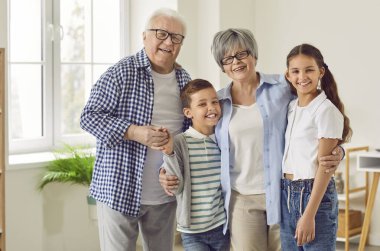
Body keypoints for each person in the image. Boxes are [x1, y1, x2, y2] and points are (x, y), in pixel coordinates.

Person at [160, 28, 344, 251]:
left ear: (254, 55)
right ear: (222, 66)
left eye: (241, 54)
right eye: (227, 58)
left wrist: (339, 151)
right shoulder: (218, 102)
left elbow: (316, 118)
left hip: (283, 194)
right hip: (242, 199)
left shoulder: (282, 88)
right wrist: (166, 168)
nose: (235, 62)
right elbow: (194, 135)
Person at [80, 8, 191, 251]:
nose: (168, 42)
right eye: (161, 33)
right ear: (144, 36)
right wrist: (132, 131)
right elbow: (88, 117)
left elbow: (189, 137)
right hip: (119, 189)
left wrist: (174, 167)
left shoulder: (185, 81)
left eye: (176, 37)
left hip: (164, 196)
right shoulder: (122, 72)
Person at [280, 44, 352, 251]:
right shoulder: (292, 107)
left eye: (309, 70)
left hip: (314, 196)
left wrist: (309, 214)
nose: (302, 76)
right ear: (288, 75)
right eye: (295, 71)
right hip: (286, 192)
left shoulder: (325, 110)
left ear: (321, 71)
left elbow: (325, 167)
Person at [161, 79, 230, 251]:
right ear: (188, 112)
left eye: (214, 101)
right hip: (192, 232)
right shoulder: (179, 142)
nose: (211, 107)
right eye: (202, 104)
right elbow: (176, 187)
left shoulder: (223, 139)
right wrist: (169, 153)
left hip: (220, 226)